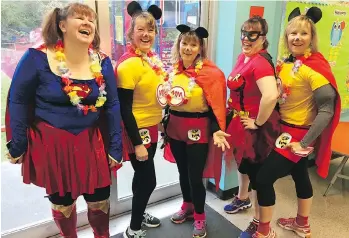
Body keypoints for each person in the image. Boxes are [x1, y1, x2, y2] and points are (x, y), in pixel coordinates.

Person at [5, 3, 122, 238]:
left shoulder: (102, 61)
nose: (88, 22)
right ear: (62, 25)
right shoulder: (36, 58)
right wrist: (17, 142)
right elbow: (17, 100)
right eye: (80, 17)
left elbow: (112, 104)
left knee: (100, 200)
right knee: (63, 203)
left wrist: (115, 146)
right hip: (52, 146)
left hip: (92, 144)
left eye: (91, 19)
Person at [252, 7, 341, 238]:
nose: (297, 38)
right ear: (286, 37)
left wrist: (304, 143)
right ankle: (302, 224)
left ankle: (264, 232)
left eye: (303, 33)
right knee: (300, 175)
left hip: (296, 135)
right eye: (292, 33)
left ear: (312, 37)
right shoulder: (289, 63)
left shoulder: (315, 68)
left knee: (262, 180)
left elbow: (327, 109)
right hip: (283, 130)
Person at [163, 24, 229, 238]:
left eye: (193, 44)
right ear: (179, 45)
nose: (188, 48)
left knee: (195, 175)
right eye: (185, 43)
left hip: (197, 130)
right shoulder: (172, 71)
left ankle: (200, 216)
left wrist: (217, 129)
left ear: (200, 47)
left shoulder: (212, 73)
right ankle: (187, 206)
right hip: (175, 128)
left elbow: (217, 105)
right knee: (182, 172)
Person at [222, 16, 280, 238]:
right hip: (241, 124)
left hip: (257, 130)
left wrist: (257, 122)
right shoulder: (244, 57)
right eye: (243, 33)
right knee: (243, 165)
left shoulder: (260, 62)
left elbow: (271, 95)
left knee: (259, 178)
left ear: (263, 37)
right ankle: (242, 198)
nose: (246, 38)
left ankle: (260, 224)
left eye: (252, 34)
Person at [114, 1, 164, 238]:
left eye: (151, 29)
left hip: (152, 128)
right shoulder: (128, 65)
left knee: (141, 178)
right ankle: (133, 229)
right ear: (130, 33)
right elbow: (124, 108)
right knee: (149, 180)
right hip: (138, 131)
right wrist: (137, 143)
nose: (146, 34)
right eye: (140, 29)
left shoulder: (151, 60)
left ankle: (139, 211)